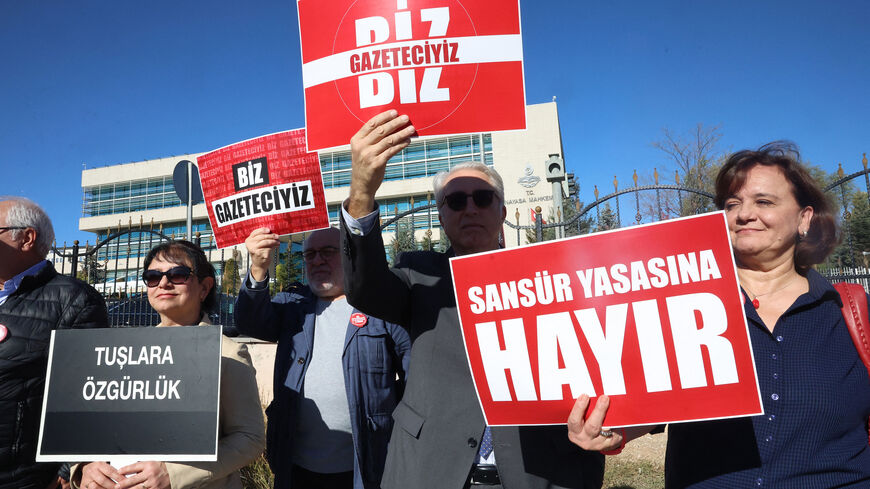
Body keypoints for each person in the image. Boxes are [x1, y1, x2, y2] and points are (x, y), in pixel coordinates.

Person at [568, 141, 870, 488]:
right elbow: (644, 408)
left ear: (805, 218)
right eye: (732, 204)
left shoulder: (852, 312)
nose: (744, 214)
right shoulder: (679, 308)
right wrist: (609, 432)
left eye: (764, 201)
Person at [340, 110, 605, 489]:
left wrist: (618, 427)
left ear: (503, 210)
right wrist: (363, 191)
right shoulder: (419, 274)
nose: (470, 208)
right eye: (456, 201)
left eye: (483, 197)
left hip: (538, 472)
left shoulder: (555, 279)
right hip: (430, 470)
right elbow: (365, 288)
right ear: (441, 215)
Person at [73, 240, 265, 489]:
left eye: (178, 274)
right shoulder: (126, 352)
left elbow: (249, 438)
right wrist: (85, 467)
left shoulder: (226, 351)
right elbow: (101, 426)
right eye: (153, 276)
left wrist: (174, 473)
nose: (163, 283)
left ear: (204, 288)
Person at [235, 226, 410, 489]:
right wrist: (259, 269)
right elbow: (251, 324)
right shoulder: (293, 303)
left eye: (328, 252)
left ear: (350, 255)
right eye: (310, 254)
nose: (317, 260)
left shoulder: (378, 305)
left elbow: (414, 375)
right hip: (296, 467)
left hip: (366, 466)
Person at [0, 197, 109, 489]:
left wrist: (65, 468)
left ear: (26, 238)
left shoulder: (74, 300)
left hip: (21, 478)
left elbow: (91, 393)